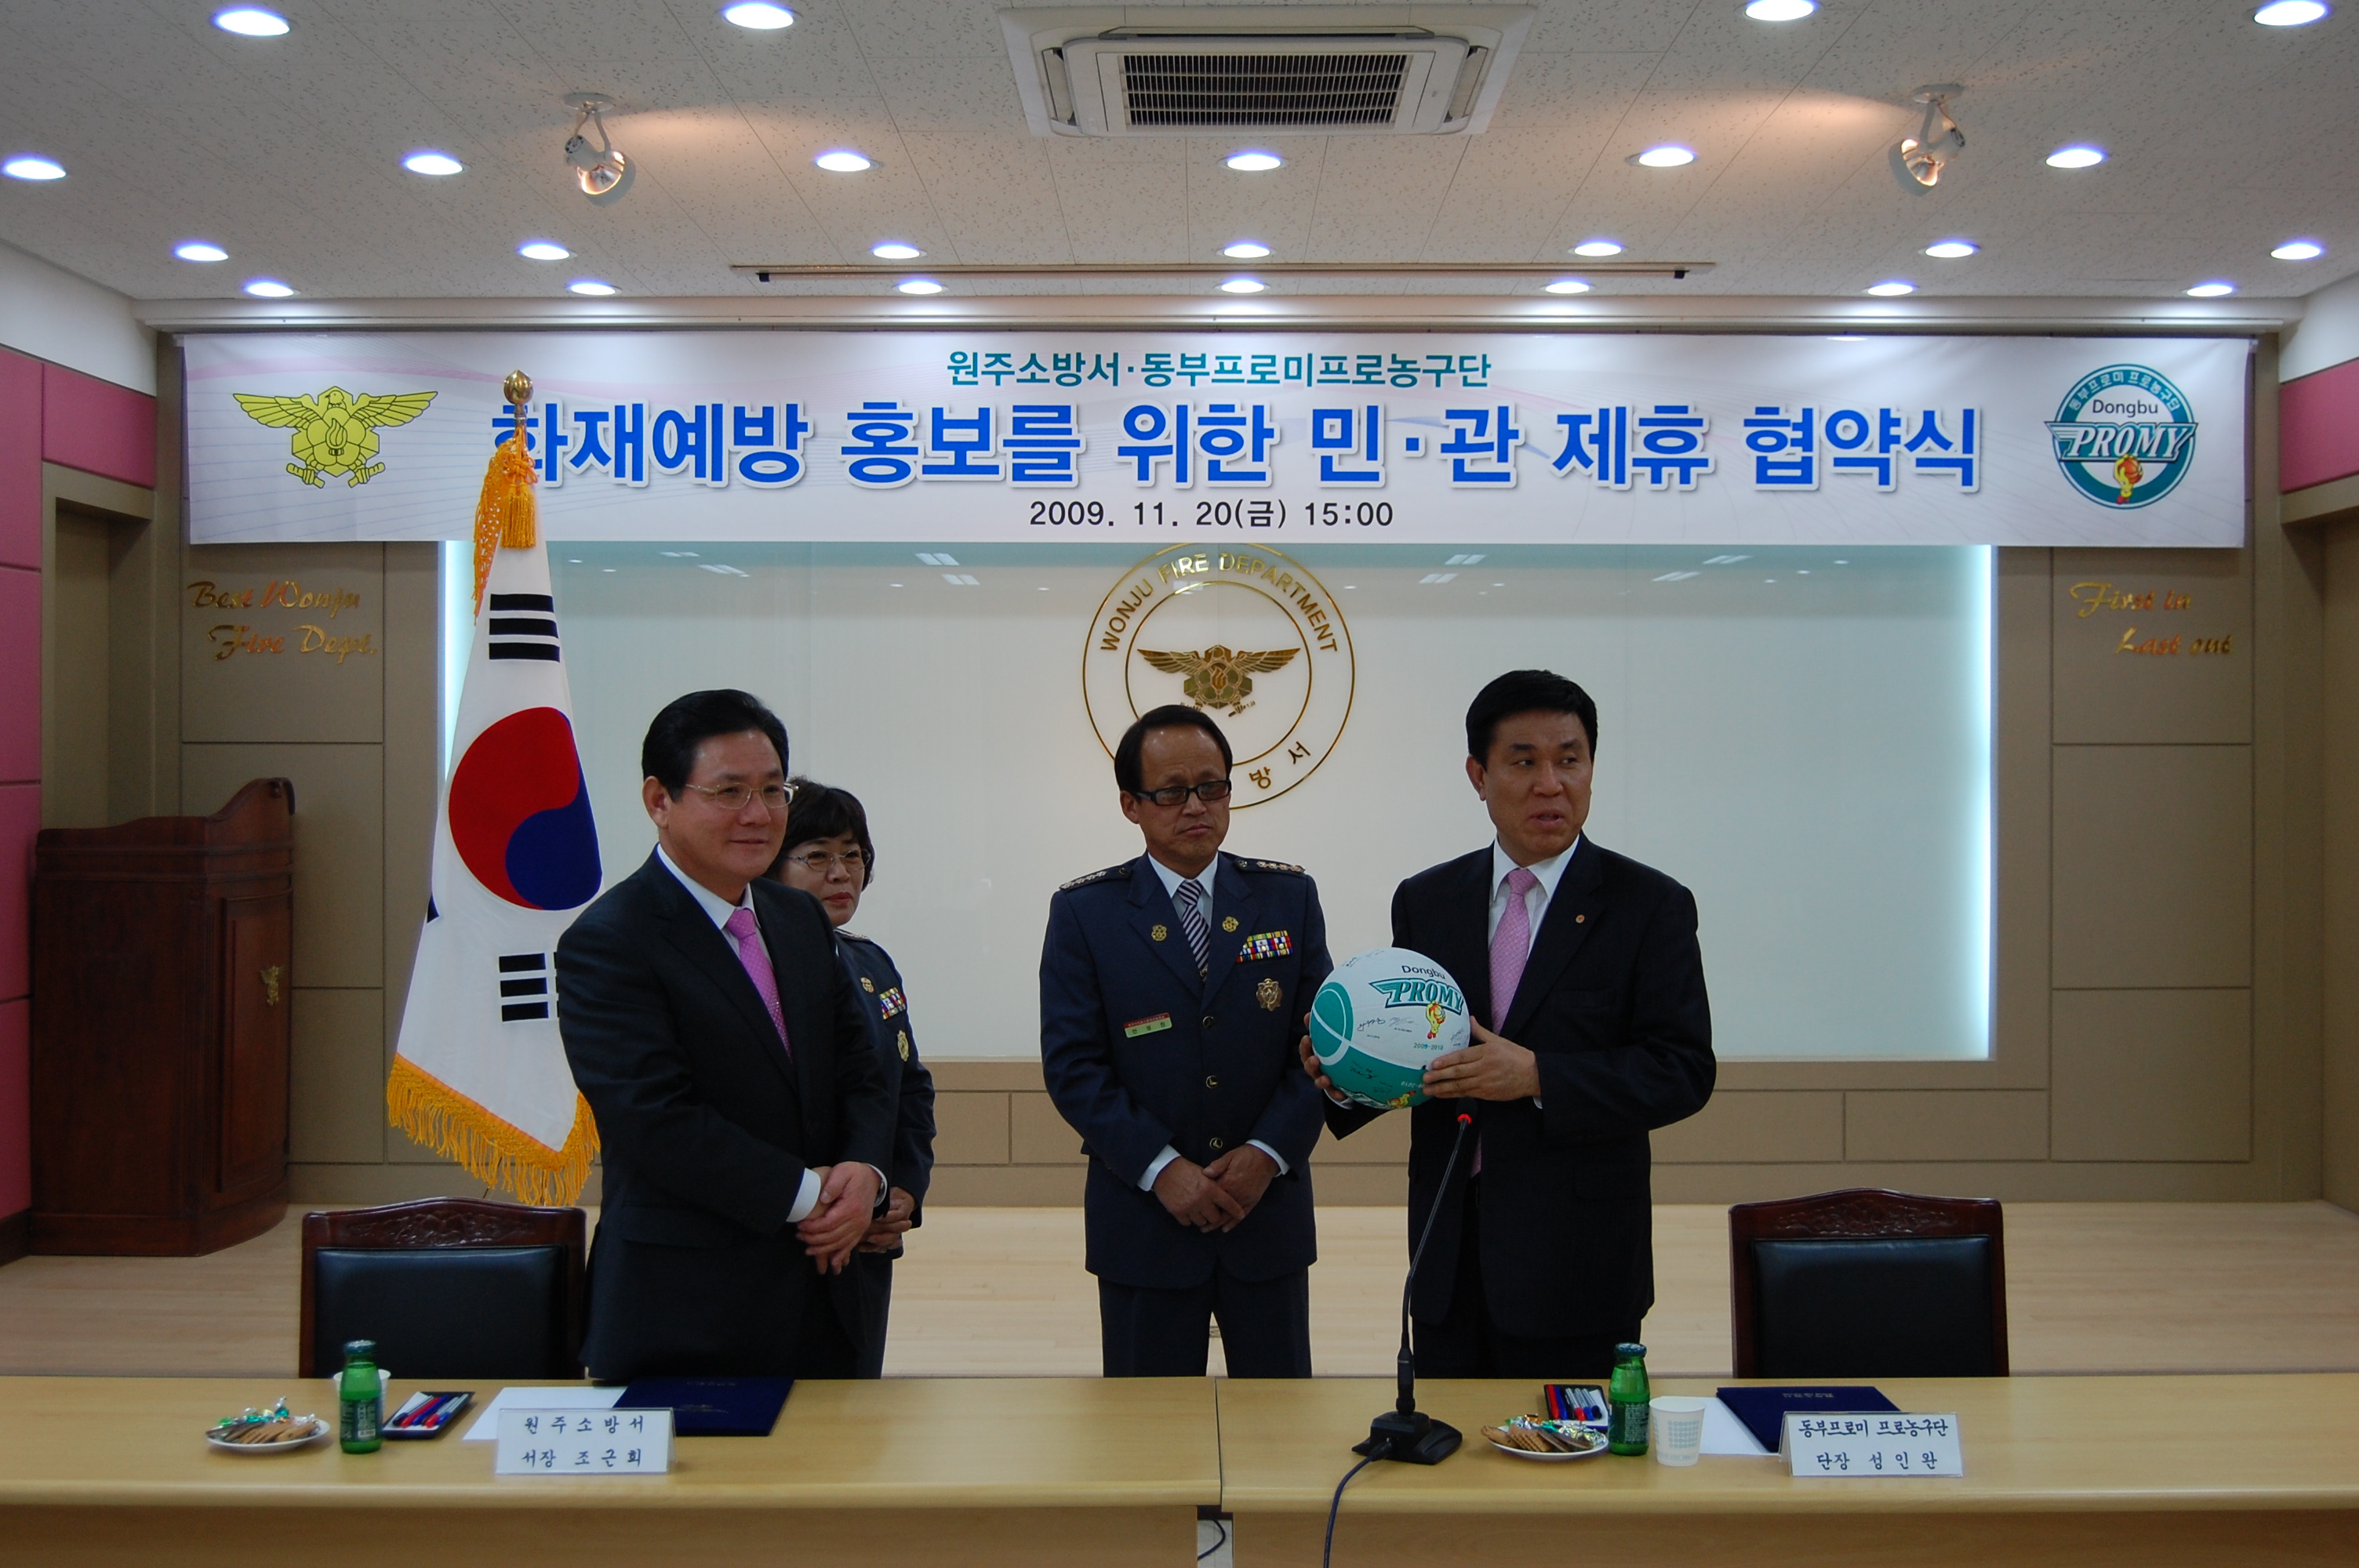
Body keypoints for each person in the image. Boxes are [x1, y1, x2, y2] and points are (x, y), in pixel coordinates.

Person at [1304, 670, 1714, 1380]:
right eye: (1524, 762)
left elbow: (1682, 1070)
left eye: (1569, 760)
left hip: (1577, 1263)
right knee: (1450, 1445)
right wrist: (1347, 1079)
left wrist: (1537, 1076)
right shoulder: (1428, 900)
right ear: (1479, 776)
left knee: (1567, 1448)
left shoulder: (1649, 905)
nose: (1550, 784)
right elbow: (1418, 1054)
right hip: (1449, 1254)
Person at [557, 689, 894, 1382]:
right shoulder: (611, 940)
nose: (758, 814)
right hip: (687, 1308)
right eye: (729, 791)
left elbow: (862, 1068)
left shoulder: (796, 917)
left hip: (828, 1291)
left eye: (772, 790)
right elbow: (655, 1120)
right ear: (659, 800)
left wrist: (867, 1172)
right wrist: (809, 1196)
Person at [1040, 704, 1334, 1377]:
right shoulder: (1086, 913)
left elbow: (1322, 1049)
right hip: (1144, 1219)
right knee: (1149, 1428)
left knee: (1277, 1420)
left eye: (1212, 786)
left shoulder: (1287, 897)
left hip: (1265, 1214)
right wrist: (1161, 1168)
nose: (1196, 806)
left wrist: (1267, 1155)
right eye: (1171, 792)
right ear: (1131, 804)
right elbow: (1074, 1067)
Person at [769, 778, 936, 1379]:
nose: (841, 874)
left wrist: (902, 1191)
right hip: (790, 1235)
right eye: (816, 856)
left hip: (870, 1240)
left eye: (853, 855)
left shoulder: (870, 961)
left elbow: (908, 1087)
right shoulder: (756, 971)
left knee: (858, 1401)